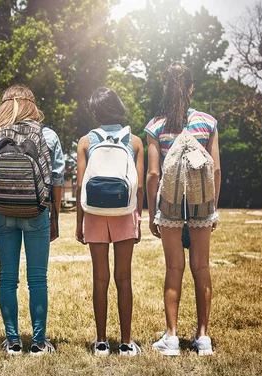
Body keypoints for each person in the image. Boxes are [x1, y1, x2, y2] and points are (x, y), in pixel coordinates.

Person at [0, 84, 64, 355]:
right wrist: (54, 217)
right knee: (37, 280)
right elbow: (58, 181)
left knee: (7, 279)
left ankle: (13, 341)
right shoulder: (47, 135)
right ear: (31, 104)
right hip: (37, 212)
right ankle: (39, 343)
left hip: (3, 213)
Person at [146, 62, 221, 356]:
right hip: (202, 202)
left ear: (165, 87)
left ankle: (172, 337)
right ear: (191, 88)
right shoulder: (207, 122)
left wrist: (154, 211)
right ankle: (203, 338)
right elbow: (214, 169)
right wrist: (212, 207)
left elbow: (154, 174)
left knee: (173, 268)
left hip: (172, 204)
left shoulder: (157, 126)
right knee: (201, 267)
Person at [75, 88, 144, 356]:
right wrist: (137, 219)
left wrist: (79, 222)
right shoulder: (135, 141)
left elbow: (81, 183)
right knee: (123, 277)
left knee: (100, 277)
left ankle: (101, 342)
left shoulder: (85, 141)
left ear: (95, 114)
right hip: (125, 212)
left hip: (93, 212)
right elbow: (137, 188)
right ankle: (126, 343)